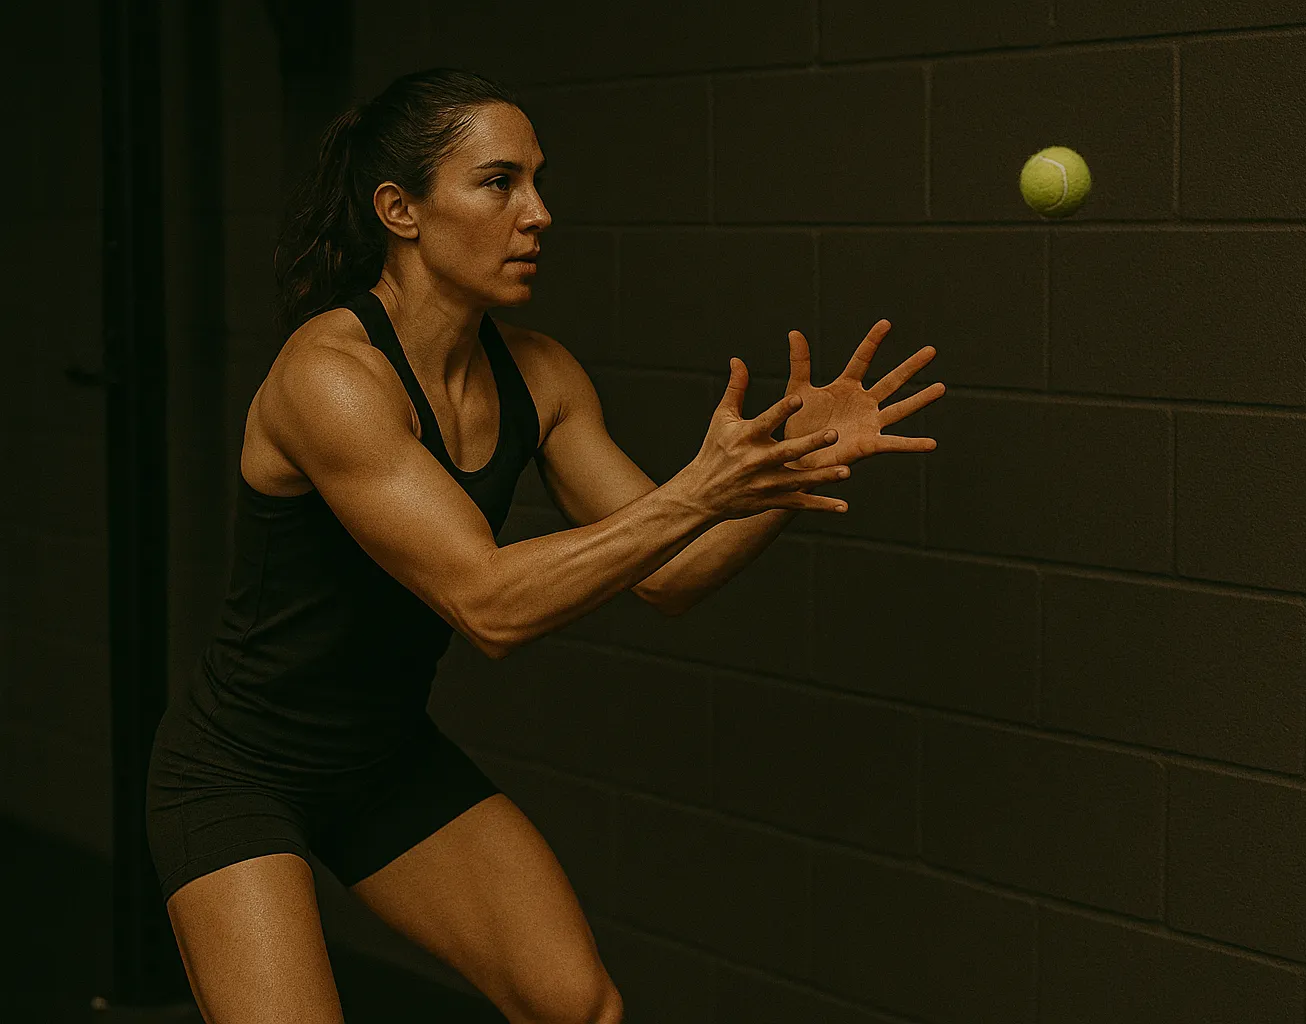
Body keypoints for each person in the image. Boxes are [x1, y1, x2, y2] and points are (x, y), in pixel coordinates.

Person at [145, 66, 944, 1024]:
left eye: (538, 180)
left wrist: (786, 470)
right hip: (239, 768)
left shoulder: (539, 374)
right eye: (499, 182)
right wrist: (698, 490)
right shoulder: (332, 377)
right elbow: (489, 605)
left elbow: (674, 575)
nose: (540, 213)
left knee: (578, 1007)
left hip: (382, 760)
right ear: (401, 210)